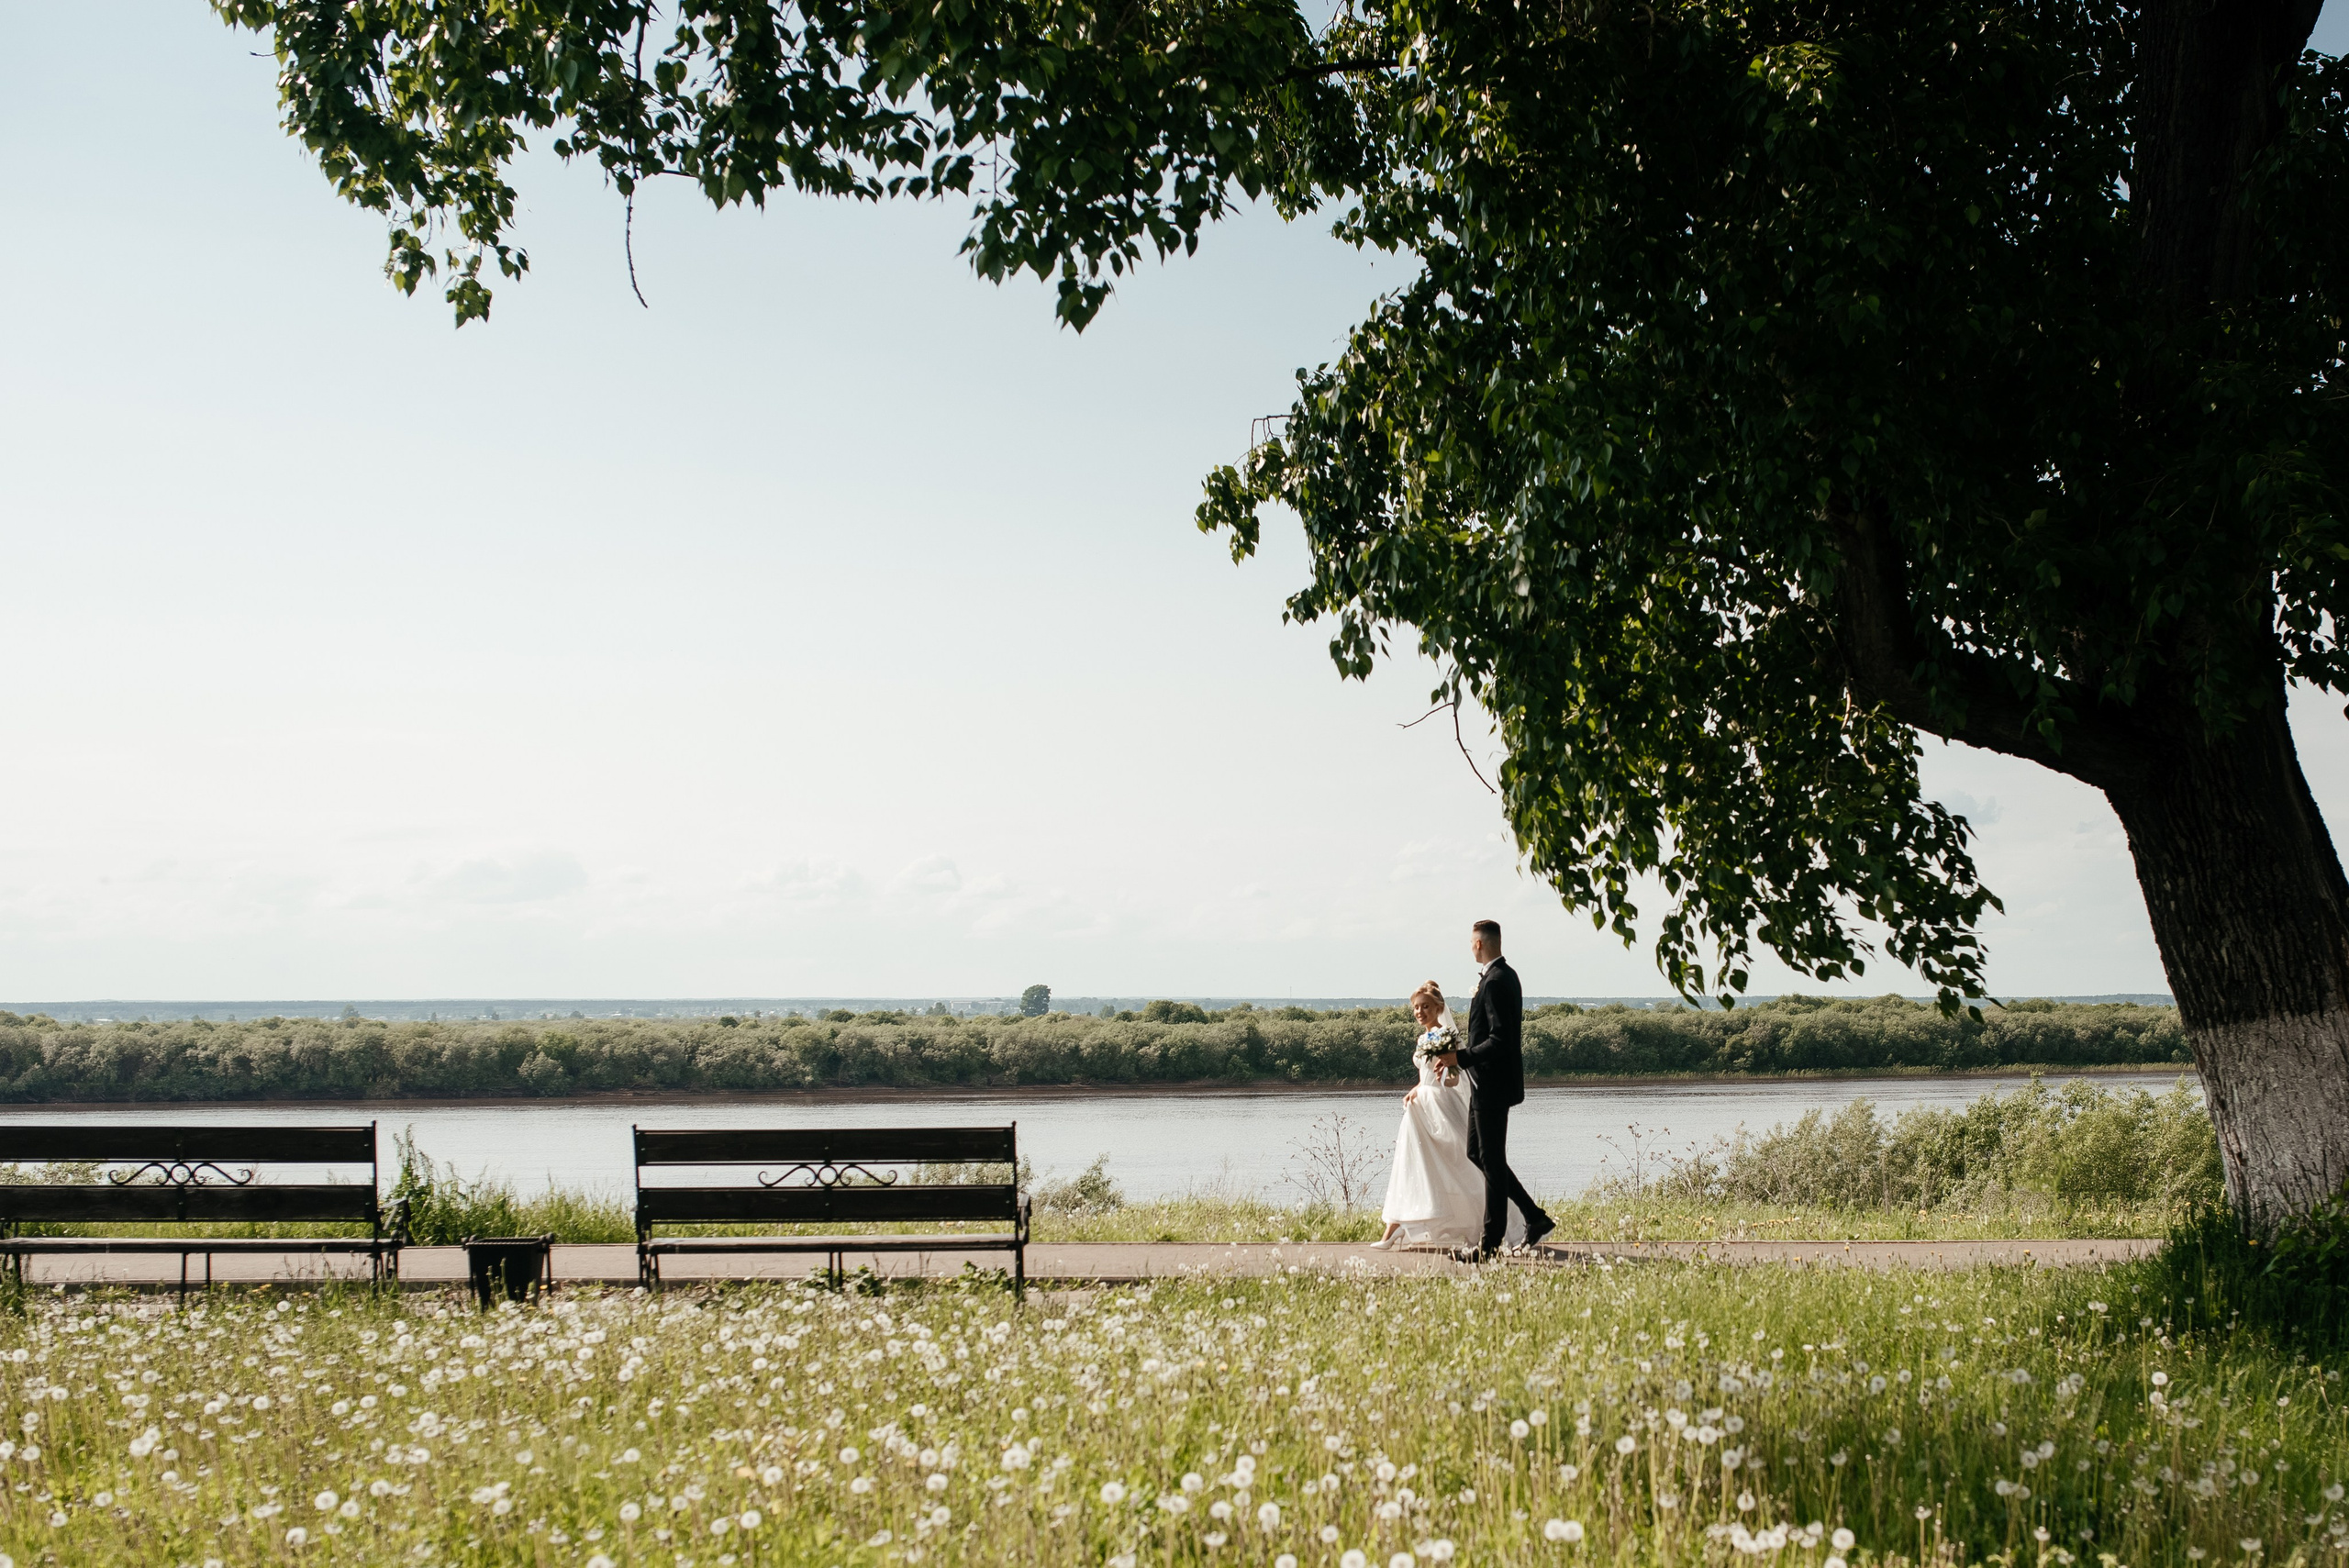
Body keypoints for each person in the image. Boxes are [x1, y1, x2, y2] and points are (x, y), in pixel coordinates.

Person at [1430, 919, 1555, 1257]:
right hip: (1486, 1083)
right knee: (1480, 1154)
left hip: (1493, 1084)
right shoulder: (1503, 976)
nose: (1470, 947)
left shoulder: (1497, 981)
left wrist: (1460, 1056)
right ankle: (1534, 1217)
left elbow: (1499, 1040)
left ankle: (1489, 1245)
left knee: (1491, 1159)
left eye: (1471, 942)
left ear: (1480, 944)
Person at [1369, 981, 1486, 1251]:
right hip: (1419, 1106)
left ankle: (1477, 1224)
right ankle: (1396, 1227)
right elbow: (1425, 1075)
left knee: (1459, 1165)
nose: (1419, 1012)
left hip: (1439, 1106)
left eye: (1425, 1007)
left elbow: (1454, 1080)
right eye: (1416, 1007)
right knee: (1411, 1164)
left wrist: (1440, 1077)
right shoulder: (1423, 1038)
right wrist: (1418, 1088)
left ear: (1438, 1008)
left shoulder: (1448, 1037)